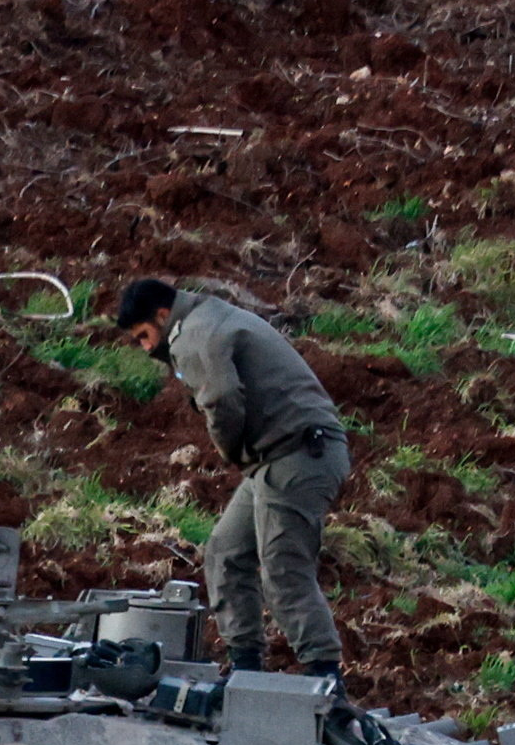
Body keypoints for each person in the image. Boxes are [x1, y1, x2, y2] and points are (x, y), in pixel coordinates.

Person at [113, 274, 348, 681]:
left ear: (163, 315)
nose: (147, 347)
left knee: (283, 567)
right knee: (225, 551)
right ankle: (244, 667)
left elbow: (221, 396)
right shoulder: (208, 316)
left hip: (297, 454)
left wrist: (228, 450)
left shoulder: (192, 335)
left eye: (145, 336)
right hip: (274, 458)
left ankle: (324, 677)